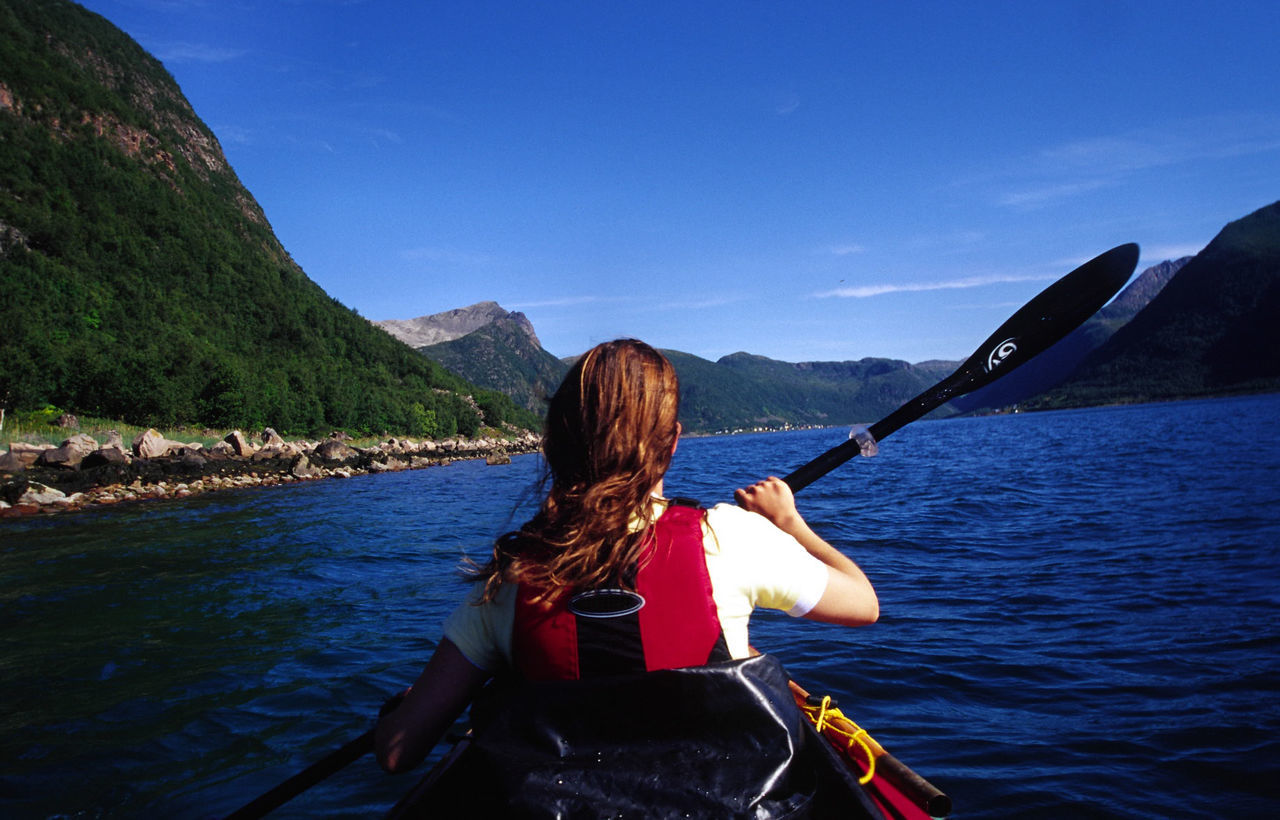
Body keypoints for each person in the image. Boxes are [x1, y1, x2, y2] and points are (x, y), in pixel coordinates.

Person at [375, 338, 878, 777]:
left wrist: (404, 712)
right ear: (673, 441)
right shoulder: (729, 538)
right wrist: (791, 525)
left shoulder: (515, 577)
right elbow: (864, 605)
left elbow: (398, 753)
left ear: (559, 440)